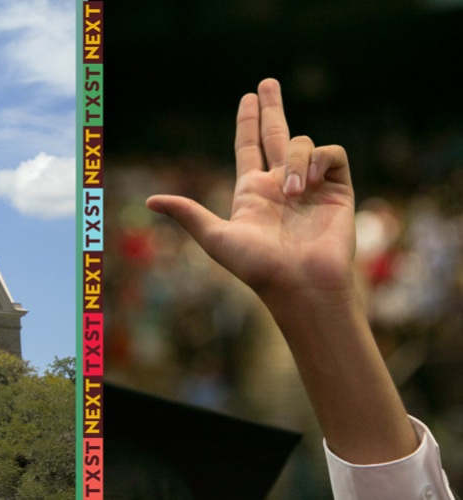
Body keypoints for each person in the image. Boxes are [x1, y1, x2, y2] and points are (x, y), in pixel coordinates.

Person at [147, 79, 454, 499]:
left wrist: (320, 303)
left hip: (273, 387)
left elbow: (230, 329)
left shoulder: (342, 270)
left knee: (283, 481)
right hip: (277, 389)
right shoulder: (353, 267)